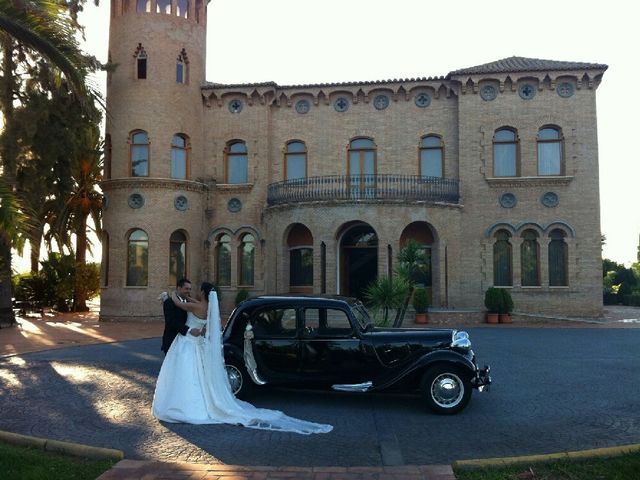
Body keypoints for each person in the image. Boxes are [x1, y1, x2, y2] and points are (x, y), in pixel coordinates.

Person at [152, 282, 332, 434]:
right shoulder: (205, 307)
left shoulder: (194, 306)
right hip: (196, 343)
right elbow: (191, 303)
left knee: (189, 375)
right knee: (199, 377)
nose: (194, 292)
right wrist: (187, 298)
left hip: (190, 343)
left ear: (203, 293)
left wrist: (170, 296)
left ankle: (185, 406)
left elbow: (179, 303)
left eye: (197, 290)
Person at [160, 278, 204, 355]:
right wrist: (189, 330)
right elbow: (171, 321)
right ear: (179, 288)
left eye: (190, 289)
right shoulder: (169, 302)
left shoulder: (190, 302)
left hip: (188, 343)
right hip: (172, 341)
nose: (188, 291)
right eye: (186, 289)